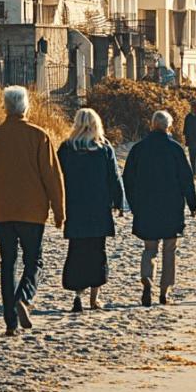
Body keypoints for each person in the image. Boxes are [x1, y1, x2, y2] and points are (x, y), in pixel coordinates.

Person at [0, 86, 65, 336]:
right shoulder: (39, 136)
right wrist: (59, 210)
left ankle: (10, 322)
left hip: (2, 212)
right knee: (34, 261)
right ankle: (24, 298)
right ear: (26, 107)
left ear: (5, 107)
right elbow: (52, 176)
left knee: (8, 264)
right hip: (32, 212)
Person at [123, 110, 196, 306]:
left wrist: (133, 202)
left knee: (150, 248)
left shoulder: (139, 148)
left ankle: (147, 277)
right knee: (170, 249)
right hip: (171, 205)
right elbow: (186, 178)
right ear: (168, 126)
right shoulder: (175, 149)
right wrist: (192, 204)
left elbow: (128, 177)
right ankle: (165, 290)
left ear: (152, 124)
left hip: (146, 205)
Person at [57, 108, 124, 313]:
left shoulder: (67, 148)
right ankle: (94, 299)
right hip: (98, 208)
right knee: (97, 252)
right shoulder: (103, 148)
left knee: (77, 251)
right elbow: (113, 176)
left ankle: (77, 296)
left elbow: (57, 178)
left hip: (75, 208)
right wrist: (119, 202)